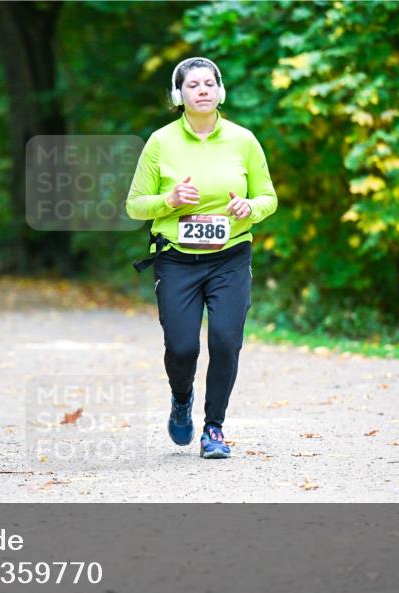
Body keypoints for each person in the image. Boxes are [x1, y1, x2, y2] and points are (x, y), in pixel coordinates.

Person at [126, 57, 277, 460]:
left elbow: (268, 196)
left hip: (230, 256)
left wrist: (250, 208)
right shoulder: (160, 142)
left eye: (210, 83)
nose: (203, 90)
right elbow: (135, 205)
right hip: (176, 259)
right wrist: (169, 200)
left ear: (220, 90)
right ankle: (181, 398)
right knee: (182, 348)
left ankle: (214, 428)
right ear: (179, 95)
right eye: (193, 85)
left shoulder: (243, 140)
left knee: (226, 342)